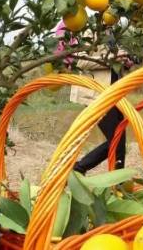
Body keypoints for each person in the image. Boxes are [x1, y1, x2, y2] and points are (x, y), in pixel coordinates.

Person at [53, 20, 133, 173]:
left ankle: (117, 184)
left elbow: (112, 63)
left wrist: (124, 61)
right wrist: (110, 60)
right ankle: (78, 169)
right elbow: (79, 62)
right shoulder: (87, 29)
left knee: (119, 140)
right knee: (117, 140)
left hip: (114, 93)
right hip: (97, 95)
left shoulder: (110, 32)